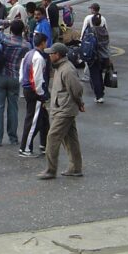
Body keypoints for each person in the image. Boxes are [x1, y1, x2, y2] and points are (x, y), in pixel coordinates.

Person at [38, 42, 85, 179]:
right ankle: (75, 168)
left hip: (65, 109)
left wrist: (80, 103)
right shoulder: (60, 67)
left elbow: (77, 89)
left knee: (52, 137)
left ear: (58, 55)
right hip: (64, 108)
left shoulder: (67, 70)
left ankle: (50, 170)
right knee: (70, 139)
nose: (49, 56)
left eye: (51, 53)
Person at [0, 18, 30, 147]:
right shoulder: (26, 45)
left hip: (0, 75)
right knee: (13, 108)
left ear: (11, 30)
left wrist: (8, 21)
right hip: (14, 77)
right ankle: (13, 138)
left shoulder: (3, 39)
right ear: (22, 30)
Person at [18, 31, 50, 157]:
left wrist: (23, 82)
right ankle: (25, 148)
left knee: (43, 118)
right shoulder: (39, 58)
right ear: (42, 43)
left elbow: (22, 70)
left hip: (27, 88)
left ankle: (44, 144)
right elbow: (37, 78)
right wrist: (41, 94)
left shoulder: (28, 54)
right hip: (34, 91)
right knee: (33, 120)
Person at [83, 11, 110, 104]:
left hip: (95, 57)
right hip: (104, 56)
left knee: (95, 76)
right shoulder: (104, 31)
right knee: (100, 75)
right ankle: (101, 92)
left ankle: (99, 96)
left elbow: (87, 43)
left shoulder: (91, 31)